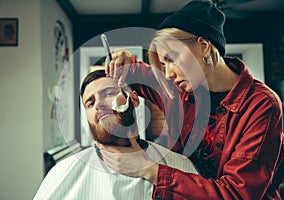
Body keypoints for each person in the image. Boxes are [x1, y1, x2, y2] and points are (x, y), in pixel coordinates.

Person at [96, 1, 284, 199]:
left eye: (171, 59)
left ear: (203, 46)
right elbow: (135, 73)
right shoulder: (178, 87)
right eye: (162, 64)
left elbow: (236, 193)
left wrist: (150, 170)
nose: (167, 74)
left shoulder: (262, 106)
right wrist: (124, 59)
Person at [33, 70, 198, 200]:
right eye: (90, 103)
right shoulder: (62, 173)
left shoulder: (179, 166)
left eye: (109, 93)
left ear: (134, 99)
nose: (98, 104)